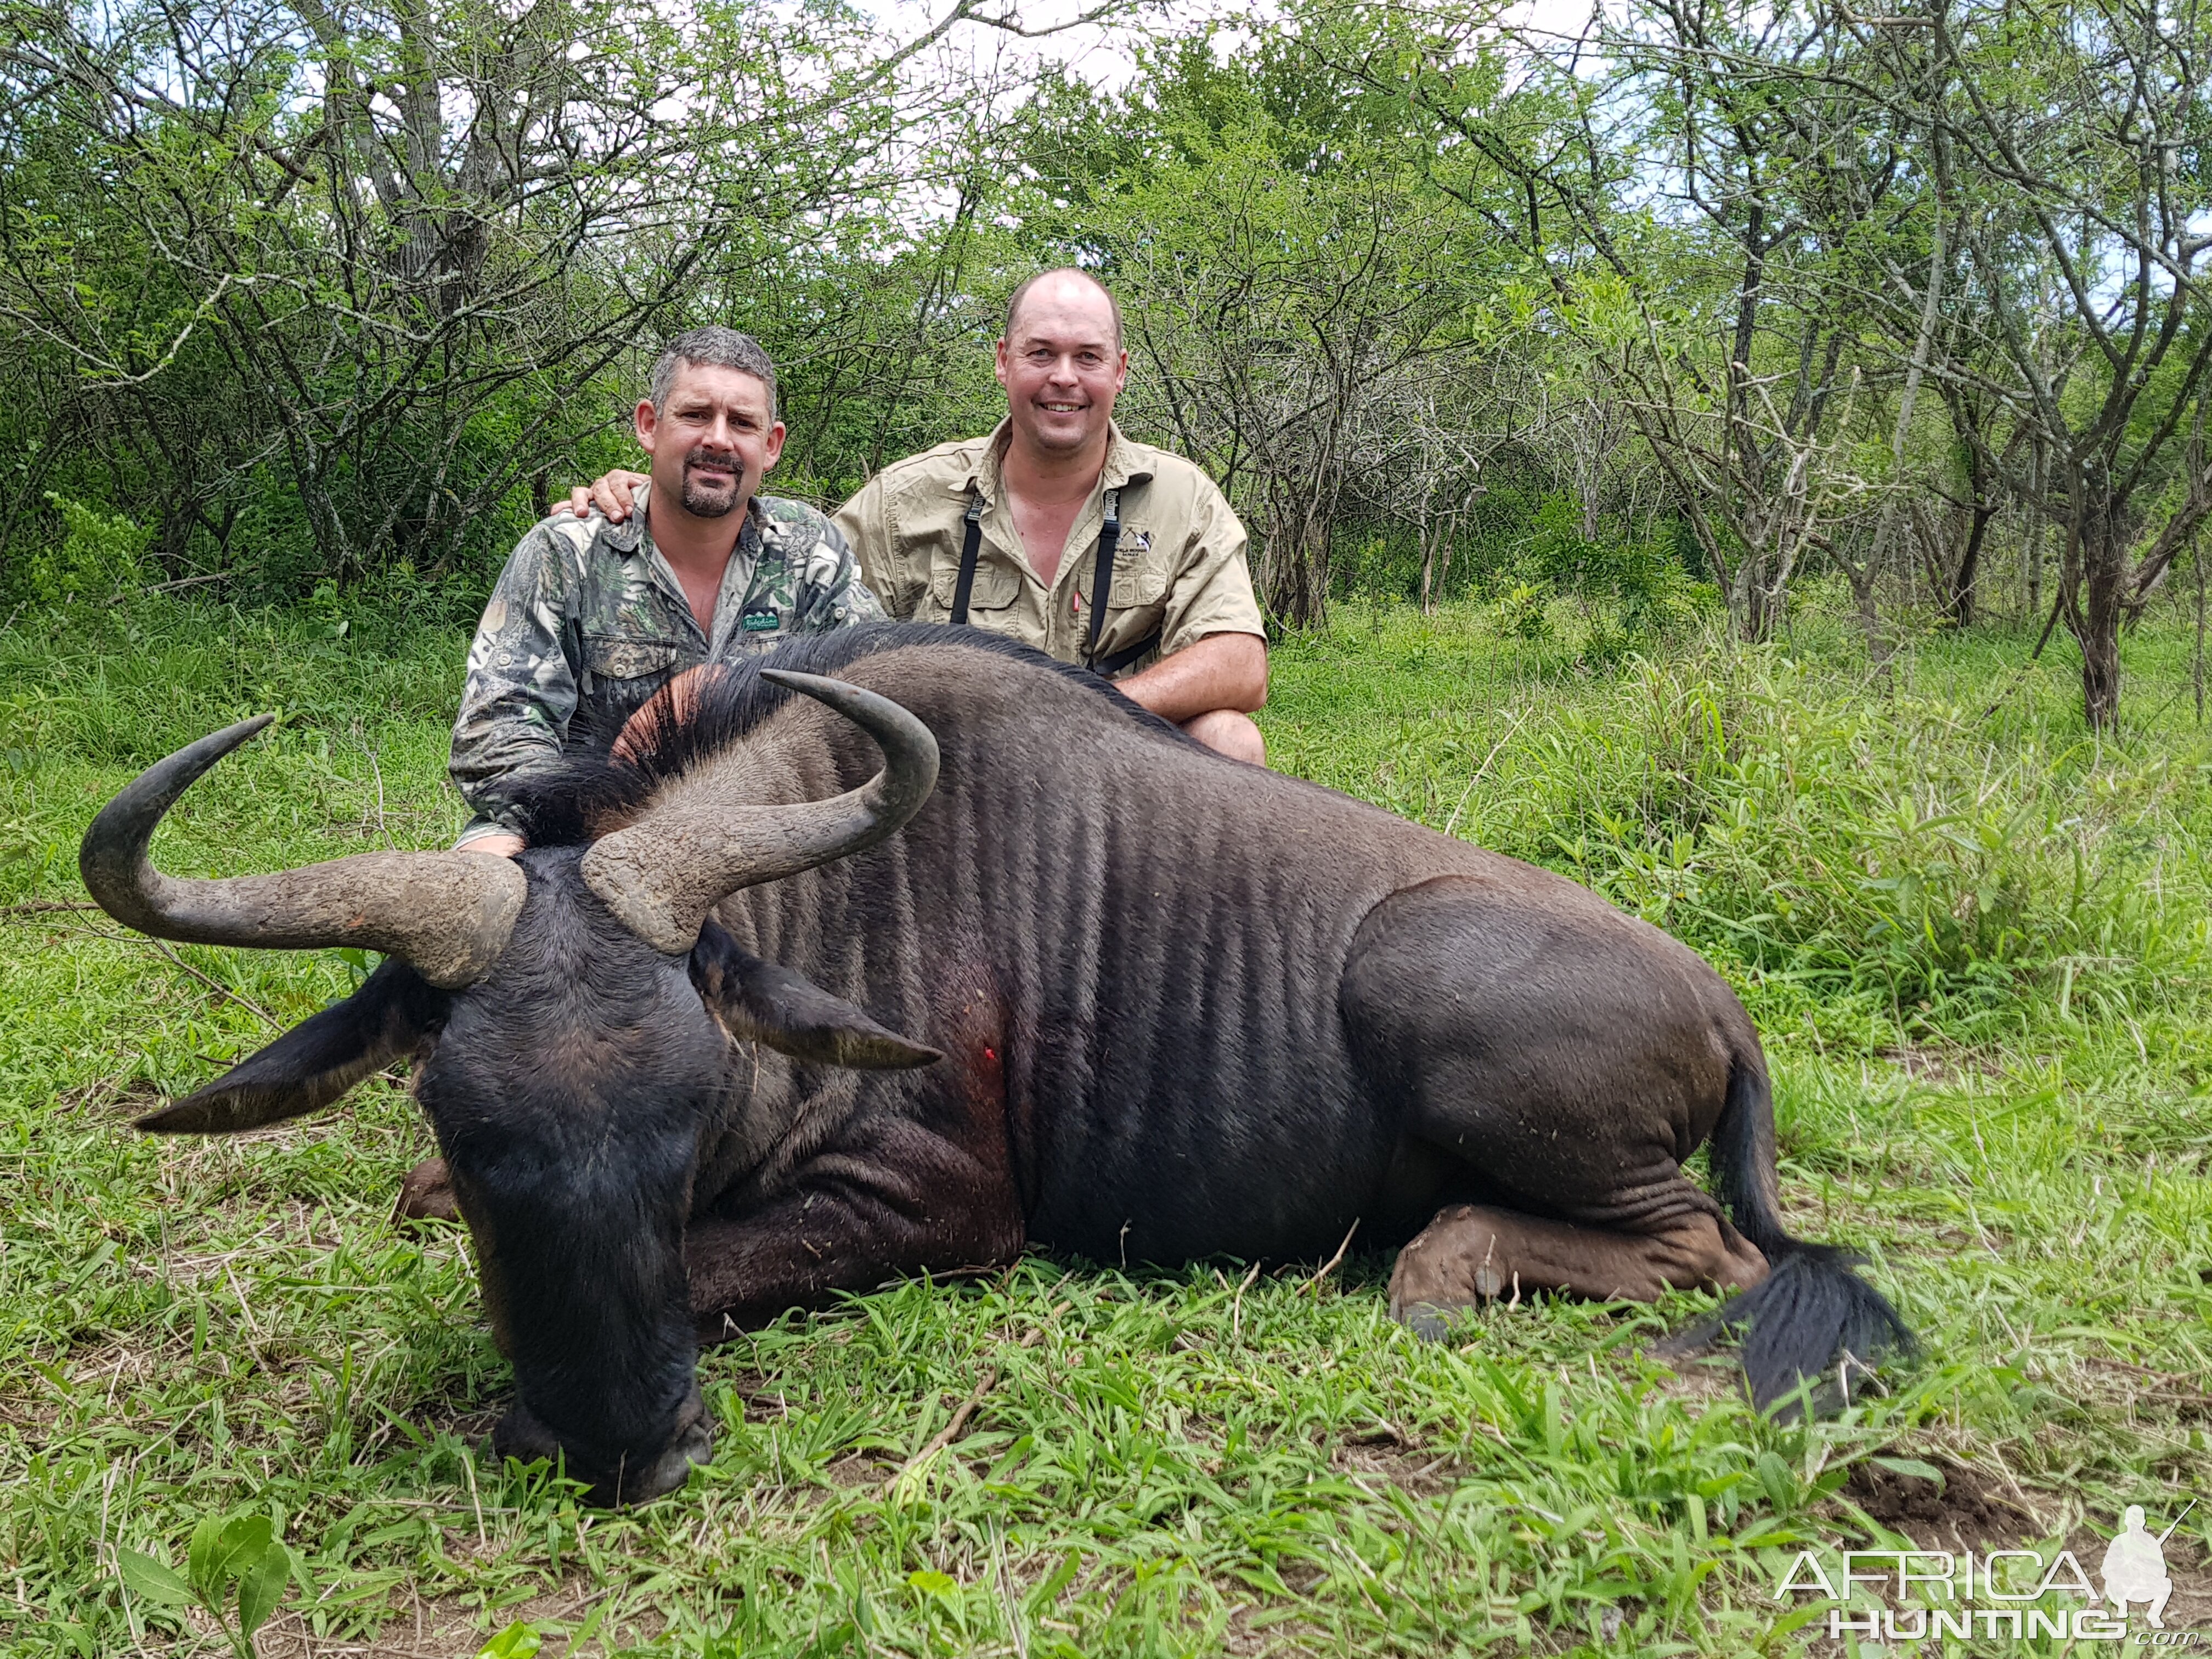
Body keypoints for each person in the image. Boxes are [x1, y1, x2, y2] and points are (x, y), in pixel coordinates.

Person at [563, 270, 1269, 763]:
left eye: (1088, 357)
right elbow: (777, 558)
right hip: (959, 774)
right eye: (1041, 354)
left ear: (1119, 371)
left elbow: (1241, 664)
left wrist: (1082, 715)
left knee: (1229, 740)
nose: (1064, 377)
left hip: (1119, 760)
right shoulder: (910, 497)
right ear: (1003, 362)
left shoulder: (1183, 495)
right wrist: (657, 496)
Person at [451, 327, 884, 857]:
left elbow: (873, 706)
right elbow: (494, 734)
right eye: (696, 415)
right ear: (649, 426)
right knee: (486, 866)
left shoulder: (811, 551)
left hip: (766, 834)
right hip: (593, 832)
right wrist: (613, 818)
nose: (719, 440)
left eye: (742, 423)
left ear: (770, 447)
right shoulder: (564, 553)